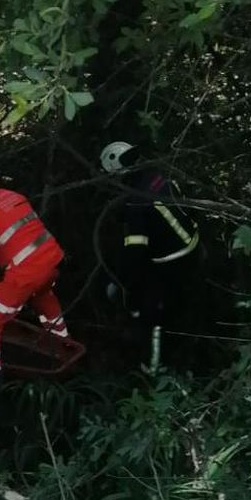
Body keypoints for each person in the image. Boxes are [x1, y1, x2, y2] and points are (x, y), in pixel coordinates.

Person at [100, 141, 200, 360]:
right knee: (183, 304)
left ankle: (154, 369)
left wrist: (122, 285)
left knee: (153, 316)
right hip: (194, 246)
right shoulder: (157, 177)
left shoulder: (136, 205)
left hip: (171, 261)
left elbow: (134, 253)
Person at [0, 177, 68, 369]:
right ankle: (63, 345)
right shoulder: (12, 195)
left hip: (25, 274)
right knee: (43, 297)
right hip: (52, 260)